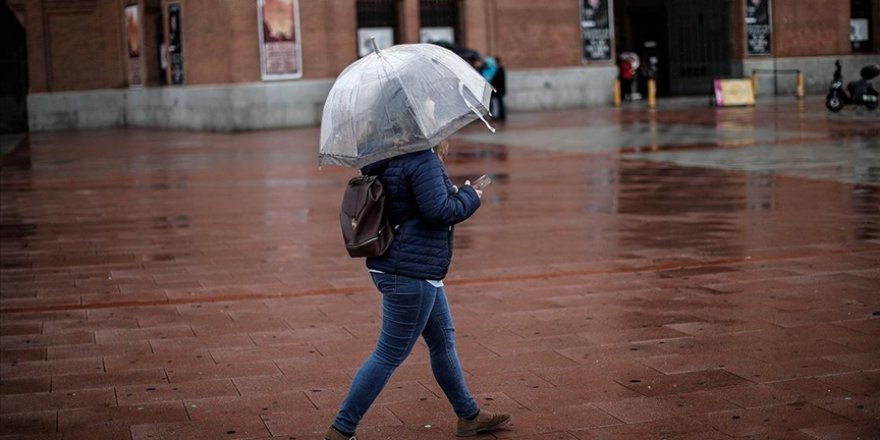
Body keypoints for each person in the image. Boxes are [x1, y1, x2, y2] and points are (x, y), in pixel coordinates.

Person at [324, 142, 512, 439]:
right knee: (388, 354)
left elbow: (414, 203)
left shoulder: (385, 154)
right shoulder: (421, 158)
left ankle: (469, 415)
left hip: (400, 263)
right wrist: (469, 196)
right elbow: (439, 211)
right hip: (411, 271)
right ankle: (342, 429)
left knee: (442, 341)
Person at [484, 56, 507, 121]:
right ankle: (498, 115)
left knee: (497, 103)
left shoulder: (499, 70)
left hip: (497, 91)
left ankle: (497, 116)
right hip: (496, 91)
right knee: (497, 103)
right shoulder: (498, 69)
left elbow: (499, 82)